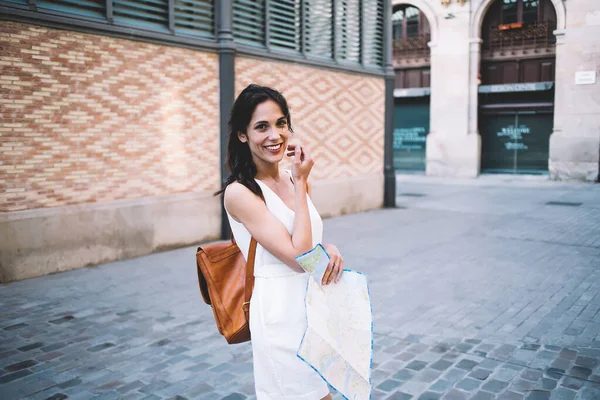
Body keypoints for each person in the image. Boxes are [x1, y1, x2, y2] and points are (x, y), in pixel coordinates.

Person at [219, 84, 344, 400]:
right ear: (243, 135)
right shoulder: (241, 193)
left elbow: (308, 243)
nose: (274, 135)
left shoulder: (292, 178)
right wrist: (302, 182)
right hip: (280, 316)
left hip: (312, 309)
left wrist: (329, 249)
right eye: (261, 126)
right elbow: (298, 258)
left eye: (280, 123)